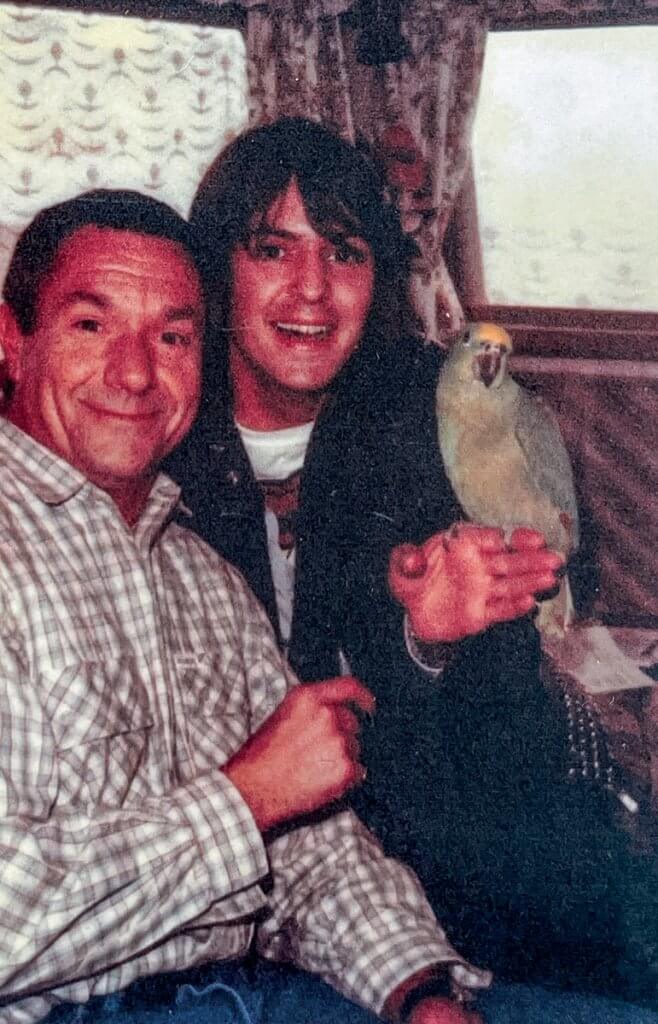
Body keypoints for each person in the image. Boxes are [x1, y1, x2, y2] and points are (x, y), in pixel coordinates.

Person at [166, 116, 658, 1016]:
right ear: (215, 267)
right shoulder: (158, 426)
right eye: (273, 248)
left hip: (434, 849)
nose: (311, 289)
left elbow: (502, 743)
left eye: (344, 253)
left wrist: (422, 641)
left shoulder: (431, 413)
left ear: (376, 276)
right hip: (215, 867)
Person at [0, 188, 494, 1024]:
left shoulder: (199, 577)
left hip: (239, 995)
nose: (134, 371)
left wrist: (419, 991)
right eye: (91, 325)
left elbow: (312, 853)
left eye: (174, 336)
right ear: (11, 344)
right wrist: (243, 799)